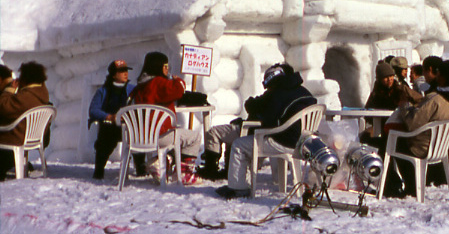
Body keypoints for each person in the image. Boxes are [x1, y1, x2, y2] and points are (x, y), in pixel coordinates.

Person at [215, 63, 317, 199]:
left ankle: (238, 188)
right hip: (304, 143)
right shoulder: (304, 91)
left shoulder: (277, 93)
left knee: (239, 145)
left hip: (284, 141)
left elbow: (269, 122)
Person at [386, 59, 449, 197]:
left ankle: (409, 186)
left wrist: (404, 106)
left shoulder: (436, 100)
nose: (438, 77)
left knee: (395, 140)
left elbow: (412, 123)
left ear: (445, 77)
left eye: (440, 74)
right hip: (444, 146)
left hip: (423, 146)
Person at [130, 51, 202, 184]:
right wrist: (178, 80)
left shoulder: (139, 86)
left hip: (139, 136)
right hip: (158, 135)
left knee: (177, 134)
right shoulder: (157, 83)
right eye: (165, 66)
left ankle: (162, 162)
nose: (167, 69)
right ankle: (184, 173)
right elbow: (178, 90)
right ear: (157, 67)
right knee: (193, 137)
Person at [88, 60, 146, 179]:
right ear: (114, 74)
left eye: (126, 71)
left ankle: (140, 167)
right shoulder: (103, 91)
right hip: (112, 126)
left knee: (139, 134)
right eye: (121, 71)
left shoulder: (132, 90)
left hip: (129, 125)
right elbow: (93, 110)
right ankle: (99, 170)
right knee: (105, 137)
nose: (125, 73)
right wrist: (108, 116)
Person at [0, 62, 50, 181]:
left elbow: (2, 107)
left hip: (16, 136)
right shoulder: (41, 93)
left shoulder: (27, 96)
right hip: (31, 135)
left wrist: (9, 90)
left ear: (26, 78)